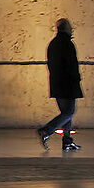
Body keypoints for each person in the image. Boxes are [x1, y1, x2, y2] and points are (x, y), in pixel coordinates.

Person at [38, 17, 83, 155]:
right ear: (65, 28)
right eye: (70, 27)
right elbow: (71, 65)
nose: (72, 29)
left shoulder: (53, 44)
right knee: (69, 112)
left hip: (57, 84)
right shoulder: (67, 44)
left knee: (66, 113)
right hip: (67, 84)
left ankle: (67, 141)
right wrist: (77, 79)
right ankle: (47, 130)